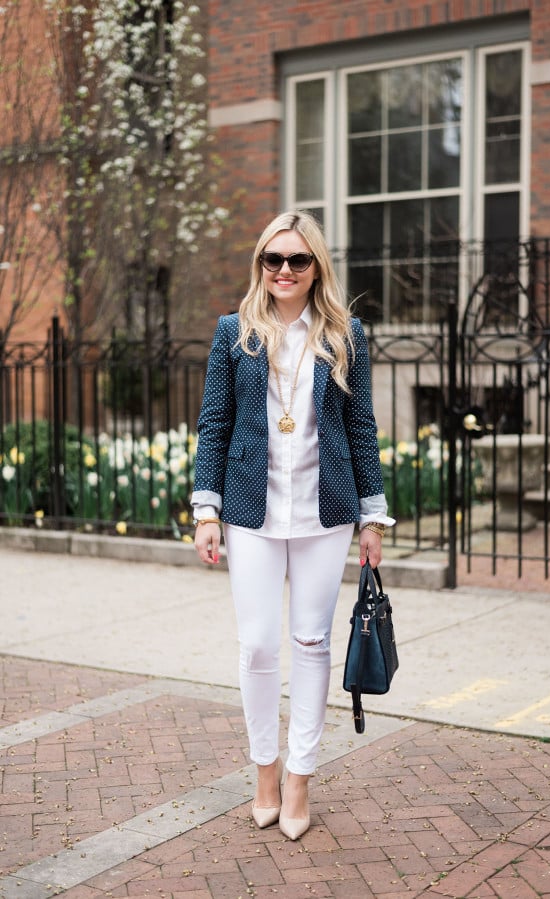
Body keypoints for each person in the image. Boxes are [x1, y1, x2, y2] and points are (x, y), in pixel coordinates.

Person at [191, 210, 394, 841]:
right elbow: (213, 424)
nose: (283, 270)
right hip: (250, 510)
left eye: (296, 260)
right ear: (261, 265)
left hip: (323, 511)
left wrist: (373, 515)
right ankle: (265, 772)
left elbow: (361, 430)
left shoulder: (344, 334)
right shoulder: (235, 331)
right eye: (272, 259)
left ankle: (301, 776)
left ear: (316, 268)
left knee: (311, 645)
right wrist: (206, 510)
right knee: (256, 646)